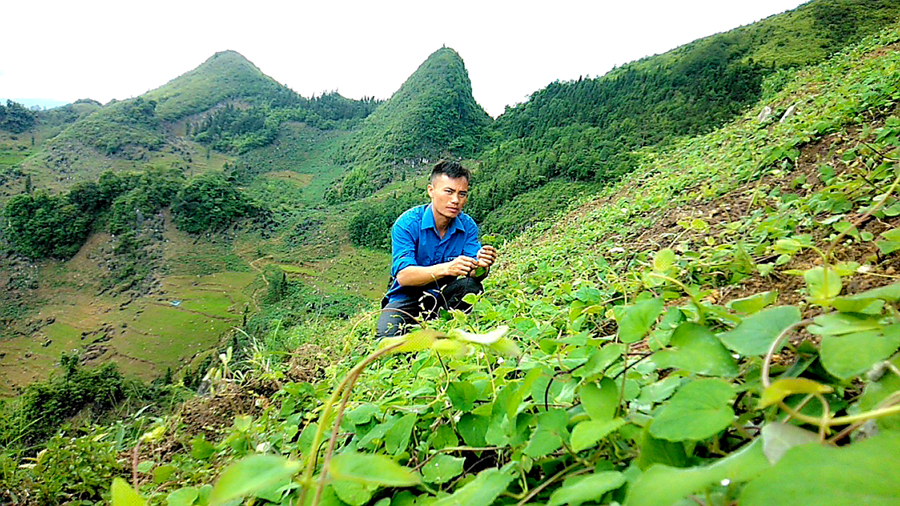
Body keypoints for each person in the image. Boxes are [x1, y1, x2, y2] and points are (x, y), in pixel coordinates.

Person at [375, 160, 498, 338]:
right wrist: (448, 268)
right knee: (387, 337)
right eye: (448, 192)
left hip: (444, 295)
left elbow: (474, 274)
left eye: (462, 194)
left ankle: (448, 330)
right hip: (406, 298)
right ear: (431, 191)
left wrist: (483, 265)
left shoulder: (468, 226)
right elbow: (404, 276)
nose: (455, 200)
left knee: (471, 286)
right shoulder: (407, 224)